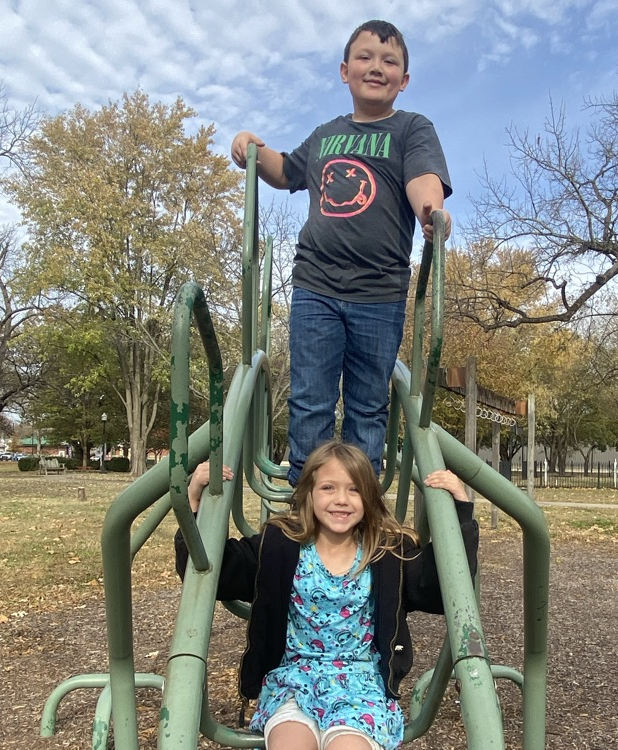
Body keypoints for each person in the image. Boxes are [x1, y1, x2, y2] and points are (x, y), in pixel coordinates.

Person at [230, 19, 453, 486]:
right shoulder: (326, 134)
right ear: (344, 70)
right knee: (310, 399)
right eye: (366, 57)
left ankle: (360, 501)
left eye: (390, 61)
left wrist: (431, 211)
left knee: (367, 405)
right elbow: (286, 171)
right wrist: (253, 147)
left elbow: (422, 179)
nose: (377, 67)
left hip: (379, 293)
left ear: (404, 80)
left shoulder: (410, 129)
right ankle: (306, 502)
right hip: (316, 286)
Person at [176, 441, 477, 750]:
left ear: (369, 497)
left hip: (360, 687)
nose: (341, 500)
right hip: (294, 681)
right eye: (328, 488)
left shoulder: (385, 553)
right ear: (309, 493)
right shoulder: (280, 546)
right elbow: (216, 572)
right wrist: (194, 504)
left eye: (355, 490)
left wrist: (460, 510)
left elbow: (439, 587)